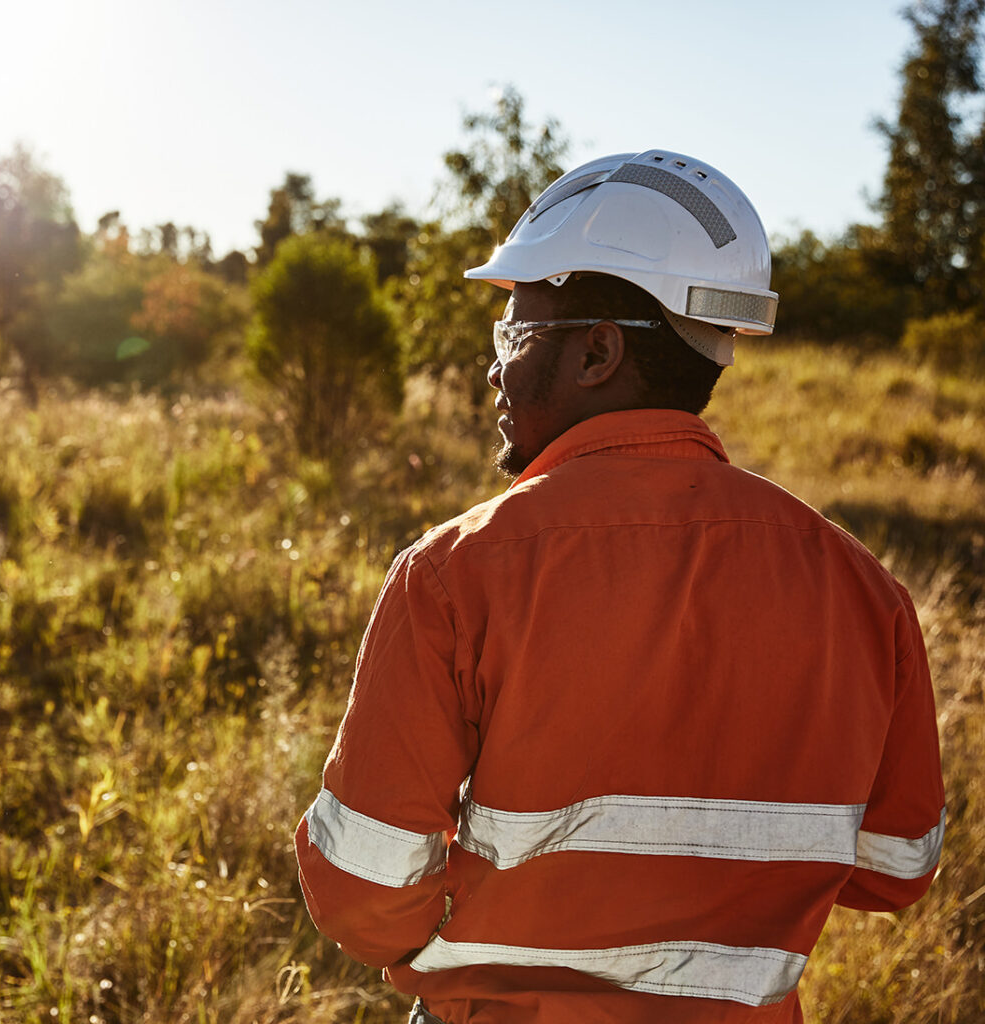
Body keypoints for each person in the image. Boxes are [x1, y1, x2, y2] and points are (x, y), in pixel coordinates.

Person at [293, 149, 946, 1023]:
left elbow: (363, 892)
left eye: (513, 335)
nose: (494, 368)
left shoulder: (456, 574)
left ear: (598, 351)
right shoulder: (863, 589)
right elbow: (894, 868)